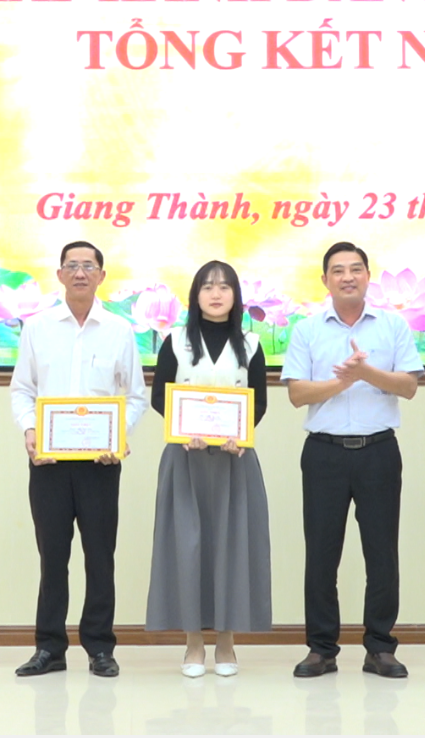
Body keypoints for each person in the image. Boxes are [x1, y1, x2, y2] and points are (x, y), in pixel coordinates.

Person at [281, 242, 422, 679]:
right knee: (322, 554)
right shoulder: (307, 329)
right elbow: (297, 393)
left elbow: (408, 387)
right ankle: (321, 649)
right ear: (325, 280)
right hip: (324, 453)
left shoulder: (393, 326)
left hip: (379, 451)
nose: (347, 277)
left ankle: (380, 647)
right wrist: (342, 383)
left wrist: (365, 373)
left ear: (368, 276)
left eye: (356, 269)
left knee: (382, 553)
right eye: (338, 270)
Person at [10, 241, 148, 678]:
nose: (80, 273)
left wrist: (120, 436)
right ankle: (49, 648)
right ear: (60, 275)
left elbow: (136, 396)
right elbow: (22, 390)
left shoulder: (119, 330)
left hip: (100, 465)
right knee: (52, 558)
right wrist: (30, 431)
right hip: (48, 464)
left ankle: (100, 647)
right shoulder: (37, 327)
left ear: (102, 276)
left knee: (99, 557)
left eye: (89, 266)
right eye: (72, 265)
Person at [145, 260, 272, 677]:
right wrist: (184, 430)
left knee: (231, 545)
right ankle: (193, 643)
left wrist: (241, 433)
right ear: (195, 295)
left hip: (235, 461)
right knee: (188, 547)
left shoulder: (251, 344)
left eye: (224, 287)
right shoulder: (175, 341)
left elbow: (258, 401)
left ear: (236, 295)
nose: (216, 294)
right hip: (185, 460)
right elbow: (161, 396)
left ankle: (226, 642)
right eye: (207, 286)